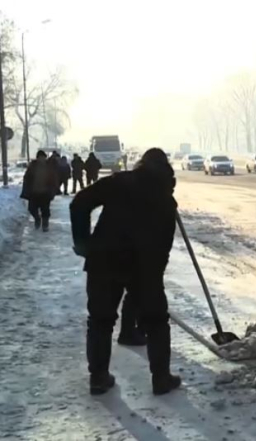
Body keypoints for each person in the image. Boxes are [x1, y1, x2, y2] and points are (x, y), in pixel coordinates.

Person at [71, 148, 181, 396]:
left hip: (104, 261)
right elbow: (164, 245)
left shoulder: (119, 182)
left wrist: (83, 244)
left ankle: (98, 378)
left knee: (100, 320)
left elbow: (79, 203)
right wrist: (154, 277)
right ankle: (161, 379)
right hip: (144, 266)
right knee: (156, 322)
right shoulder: (165, 199)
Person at [21, 150, 59, 231]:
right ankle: (37, 218)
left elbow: (54, 179)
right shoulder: (32, 166)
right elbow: (27, 178)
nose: (42, 159)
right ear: (37, 158)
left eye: (43, 157)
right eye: (40, 157)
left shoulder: (49, 167)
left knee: (45, 210)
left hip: (45, 192)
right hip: (34, 192)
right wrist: (26, 190)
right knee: (32, 208)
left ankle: (45, 225)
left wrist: (53, 190)